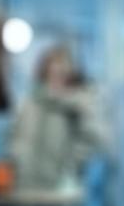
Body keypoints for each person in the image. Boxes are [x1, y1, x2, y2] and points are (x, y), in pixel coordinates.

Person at [8, 44, 109, 196]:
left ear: (70, 77)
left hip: (61, 195)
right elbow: (13, 141)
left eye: (61, 74)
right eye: (50, 73)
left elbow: (96, 141)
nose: (54, 80)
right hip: (24, 191)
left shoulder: (79, 107)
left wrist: (71, 169)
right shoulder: (28, 105)